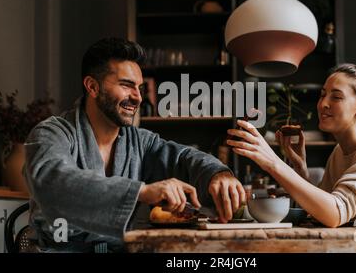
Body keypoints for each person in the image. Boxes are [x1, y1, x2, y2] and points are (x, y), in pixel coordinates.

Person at [24, 37, 245, 252]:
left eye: (139, 87)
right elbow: (52, 181)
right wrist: (142, 191)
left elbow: (183, 157)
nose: (138, 97)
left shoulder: (139, 141)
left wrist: (217, 173)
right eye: (126, 85)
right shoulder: (51, 133)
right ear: (92, 87)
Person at [227, 63, 356, 253]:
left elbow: (334, 214)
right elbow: (324, 212)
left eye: (336, 97)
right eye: (322, 95)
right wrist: (301, 171)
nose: (323, 104)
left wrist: (273, 163)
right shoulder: (339, 151)